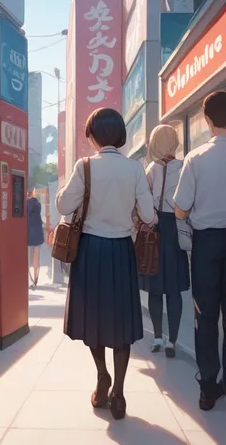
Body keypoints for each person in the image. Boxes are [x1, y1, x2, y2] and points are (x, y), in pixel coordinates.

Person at [56, 108, 155, 420]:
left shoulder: (85, 166)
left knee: (93, 319)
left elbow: (62, 204)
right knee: (121, 322)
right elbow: (150, 216)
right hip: (122, 250)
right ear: (121, 135)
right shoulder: (134, 169)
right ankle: (120, 395)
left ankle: (102, 377)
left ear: (92, 134)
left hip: (91, 250)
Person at [174, 90, 226, 411]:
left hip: (207, 244)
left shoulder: (196, 158)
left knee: (205, 317)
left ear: (207, 120)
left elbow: (180, 209)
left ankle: (208, 387)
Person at [139, 125, 190, 358]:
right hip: (176, 229)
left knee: (156, 288)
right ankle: (173, 341)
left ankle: (157, 336)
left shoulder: (151, 168)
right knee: (174, 290)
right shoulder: (183, 168)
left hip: (156, 228)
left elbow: (144, 201)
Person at [27, 189, 44, 289]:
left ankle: (29, 279)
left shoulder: (25, 204)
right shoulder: (38, 204)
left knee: (27, 257)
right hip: (37, 232)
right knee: (36, 257)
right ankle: (35, 278)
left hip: (28, 233)